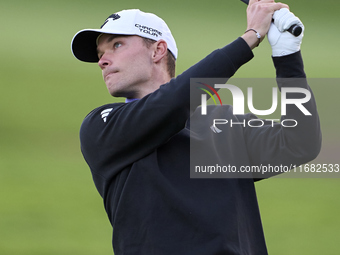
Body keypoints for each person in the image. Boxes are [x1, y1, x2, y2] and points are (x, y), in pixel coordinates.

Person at [71, 0, 321, 254]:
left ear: (157, 50)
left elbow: (300, 142)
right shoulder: (102, 126)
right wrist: (250, 37)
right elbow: (172, 102)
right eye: (101, 54)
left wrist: (287, 58)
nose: (103, 61)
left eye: (116, 45)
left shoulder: (225, 123)